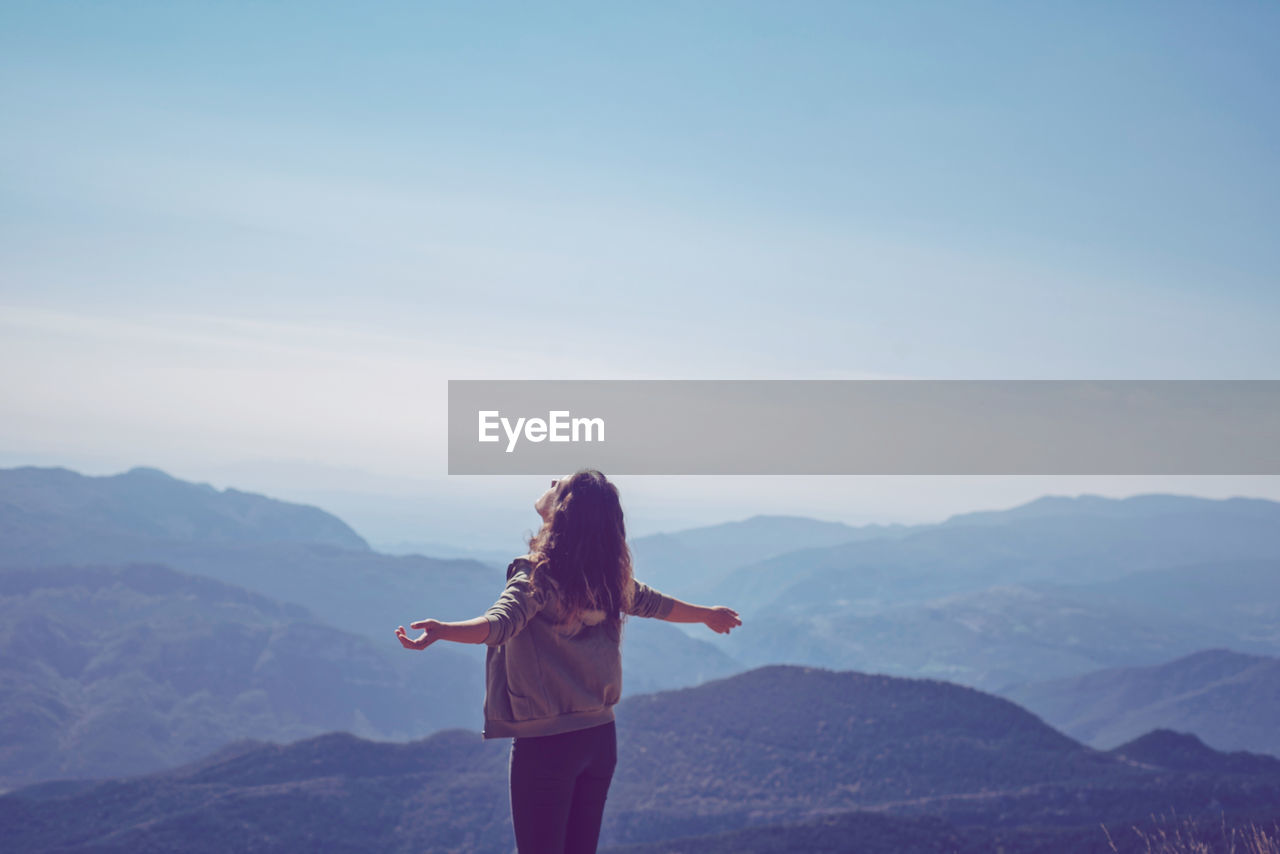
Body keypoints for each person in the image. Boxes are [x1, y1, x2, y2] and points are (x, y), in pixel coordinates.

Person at [395, 468, 742, 854]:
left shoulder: (537, 579)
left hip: (547, 745)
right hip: (599, 738)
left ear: (563, 511)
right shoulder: (609, 577)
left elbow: (498, 625)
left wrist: (443, 630)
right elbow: (655, 604)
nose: (550, 482)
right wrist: (707, 614)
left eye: (558, 484)